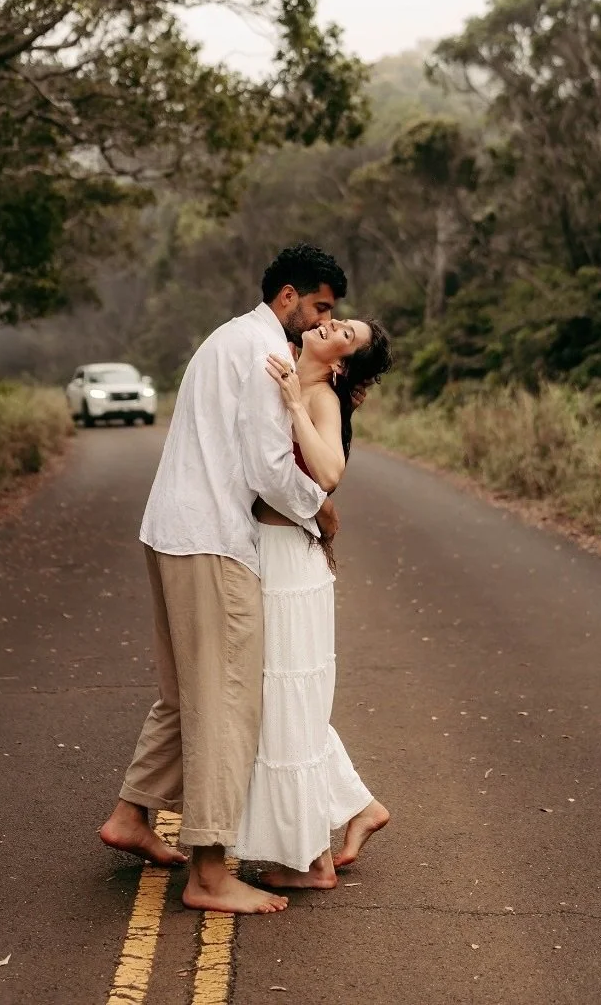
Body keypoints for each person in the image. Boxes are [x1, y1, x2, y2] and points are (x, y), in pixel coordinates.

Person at [99, 245, 347, 915]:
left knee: (186, 696)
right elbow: (268, 466)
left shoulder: (226, 337)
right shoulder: (266, 352)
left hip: (171, 529)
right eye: (321, 307)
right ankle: (209, 875)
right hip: (212, 539)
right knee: (227, 702)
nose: (324, 321)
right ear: (289, 296)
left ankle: (130, 816)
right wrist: (317, 512)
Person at [232, 315, 393, 888]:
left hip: (290, 559)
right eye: (336, 321)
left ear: (342, 362)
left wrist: (296, 404)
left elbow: (330, 472)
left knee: (283, 696)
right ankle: (357, 809)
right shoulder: (281, 368)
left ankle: (313, 861)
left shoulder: (322, 397)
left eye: (344, 334)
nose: (330, 326)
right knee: (280, 694)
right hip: (265, 548)